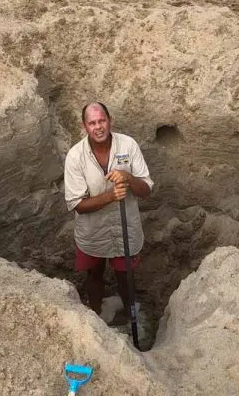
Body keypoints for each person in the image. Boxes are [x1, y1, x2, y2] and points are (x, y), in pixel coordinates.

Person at [64, 102, 153, 319]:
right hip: (93, 233)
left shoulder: (128, 146)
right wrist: (111, 196)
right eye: (92, 122)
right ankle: (95, 317)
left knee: (126, 276)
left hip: (126, 228)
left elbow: (146, 190)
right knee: (94, 274)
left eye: (101, 120)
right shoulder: (76, 156)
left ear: (109, 120)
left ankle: (131, 314)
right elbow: (77, 205)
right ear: (84, 126)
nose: (98, 127)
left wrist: (129, 178)